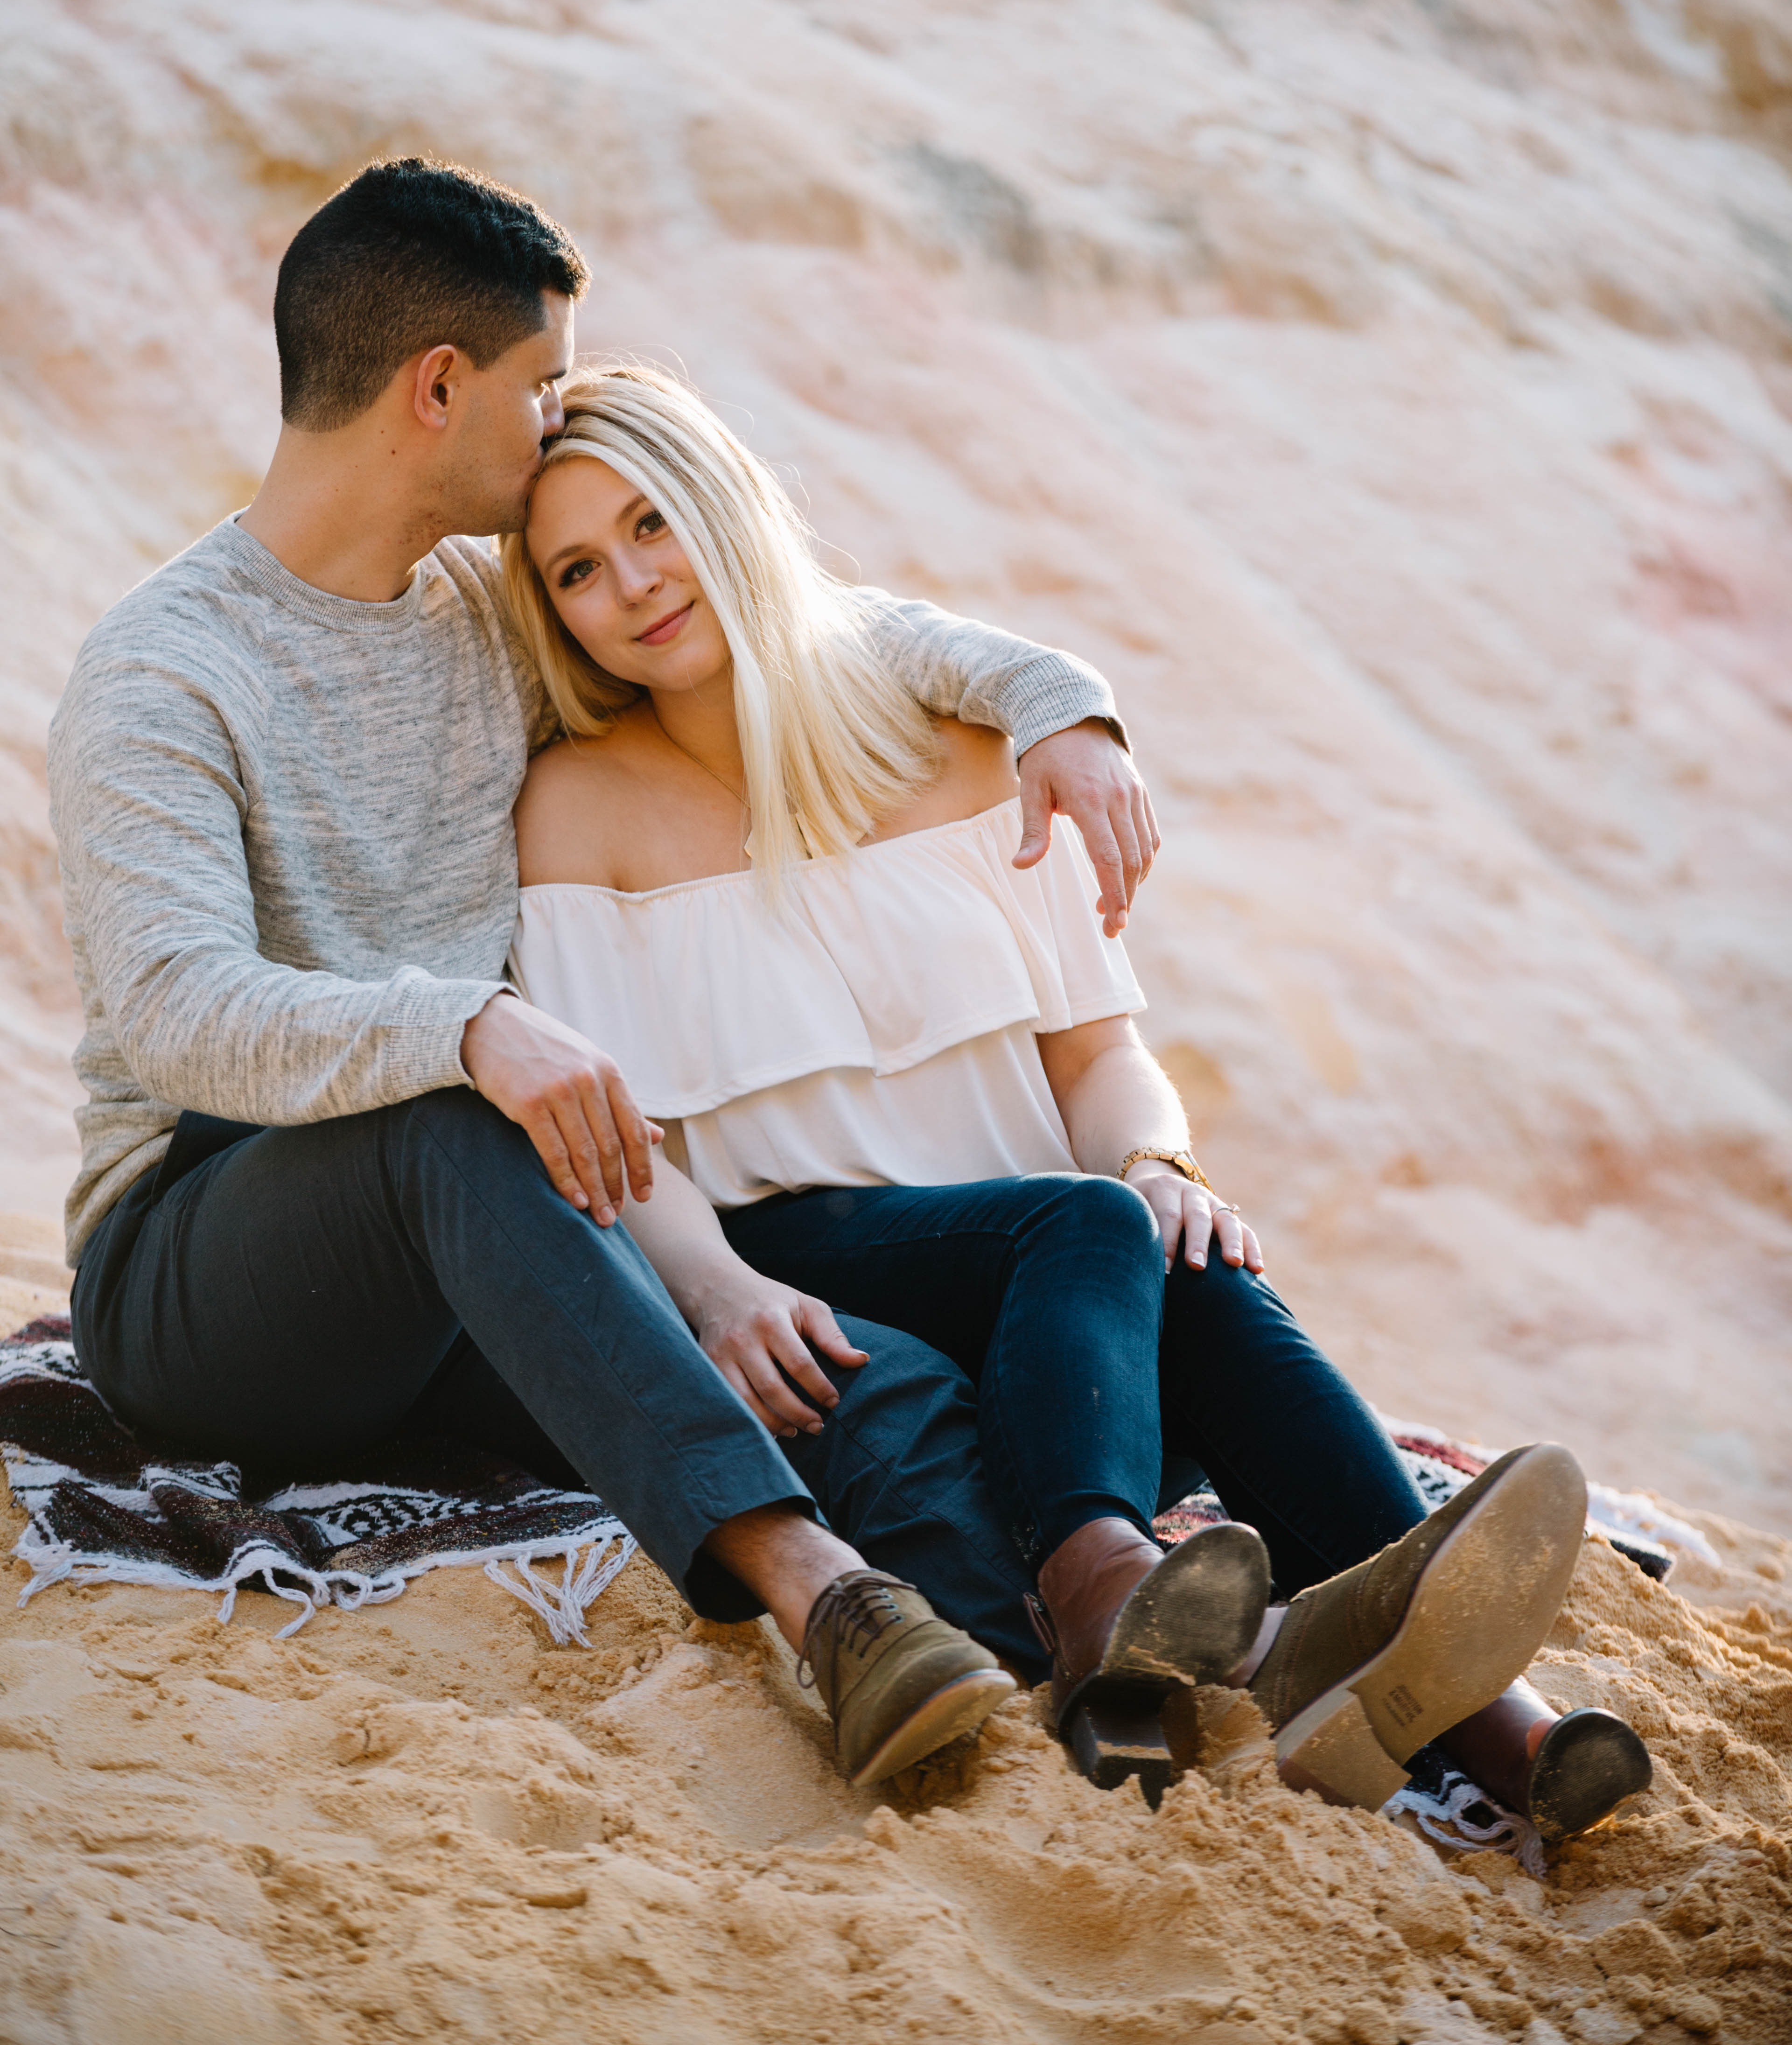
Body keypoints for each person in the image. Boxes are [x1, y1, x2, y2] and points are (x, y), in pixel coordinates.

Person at [49, 155, 1180, 1789]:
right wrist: (470, 1028)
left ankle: (1051, 1699)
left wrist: (1051, 702)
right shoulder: (165, 670)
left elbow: (803, 622)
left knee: (862, 1373)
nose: (559, 422)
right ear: (441, 388)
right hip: (213, 1259)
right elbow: (178, 1013)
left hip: (486, 1224)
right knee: (446, 1124)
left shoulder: (478, 614)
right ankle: (824, 1604)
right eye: (543, 386)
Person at [499, 361, 1654, 1841]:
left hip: (1061, 1300)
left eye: (654, 523)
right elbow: (622, 1134)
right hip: (810, 1263)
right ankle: (1131, 1595)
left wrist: (1161, 1161)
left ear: (725, 508)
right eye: (580, 572)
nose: (633, 586)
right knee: (1090, 1223)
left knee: (1179, 1245)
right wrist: (717, 1289)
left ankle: (1437, 1688)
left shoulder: (975, 752)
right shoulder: (577, 807)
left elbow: (1097, 1058)